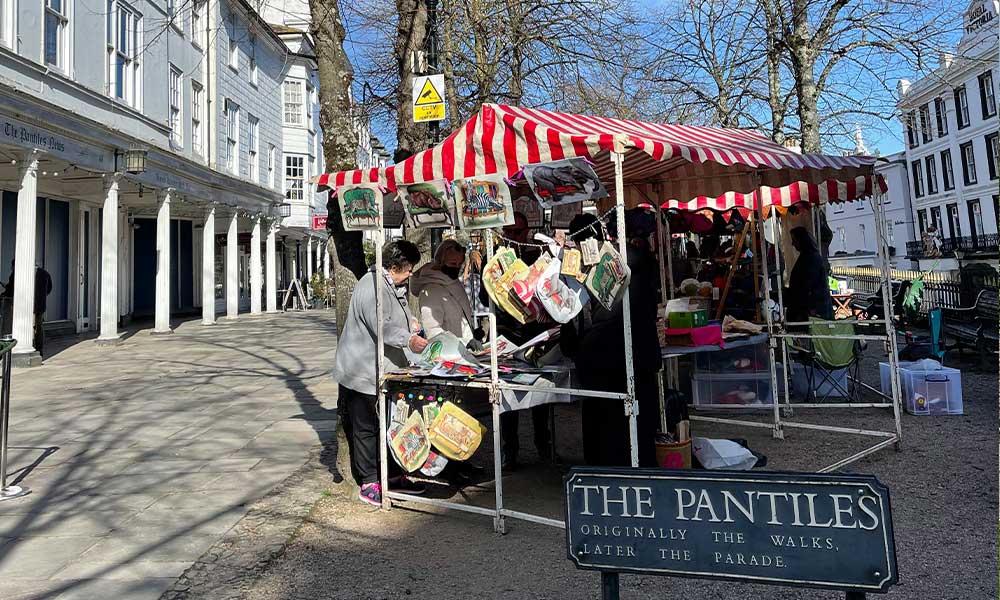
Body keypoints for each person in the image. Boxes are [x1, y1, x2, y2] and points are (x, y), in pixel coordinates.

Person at [332, 240, 429, 506]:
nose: (410, 274)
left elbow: (397, 314)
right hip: (361, 369)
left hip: (386, 368)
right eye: (408, 269)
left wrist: (411, 322)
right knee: (366, 427)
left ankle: (394, 473)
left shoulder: (392, 285)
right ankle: (369, 481)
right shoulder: (370, 284)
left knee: (390, 424)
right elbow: (380, 324)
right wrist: (408, 340)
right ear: (395, 266)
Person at [561, 213, 661, 468]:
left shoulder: (583, 268)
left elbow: (574, 320)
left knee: (604, 427)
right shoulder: (639, 261)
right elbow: (651, 307)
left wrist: (573, 346)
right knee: (640, 423)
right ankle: (642, 469)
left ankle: (606, 475)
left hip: (602, 361)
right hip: (641, 355)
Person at [488, 212, 553, 468]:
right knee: (508, 400)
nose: (514, 237)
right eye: (510, 232)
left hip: (536, 335)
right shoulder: (495, 259)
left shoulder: (536, 254)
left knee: (542, 397)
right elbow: (486, 298)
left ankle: (543, 446)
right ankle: (510, 451)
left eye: (519, 232)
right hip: (507, 334)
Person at [409, 239, 479, 347]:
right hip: (450, 354)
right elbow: (433, 331)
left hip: (464, 349)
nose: (456, 267)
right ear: (440, 261)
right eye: (452, 263)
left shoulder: (452, 282)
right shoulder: (430, 290)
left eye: (459, 264)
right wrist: (462, 344)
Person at [785, 226, 834, 323]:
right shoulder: (808, 257)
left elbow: (807, 286)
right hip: (810, 309)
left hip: (813, 311)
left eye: (794, 240)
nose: (793, 243)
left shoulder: (811, 259)